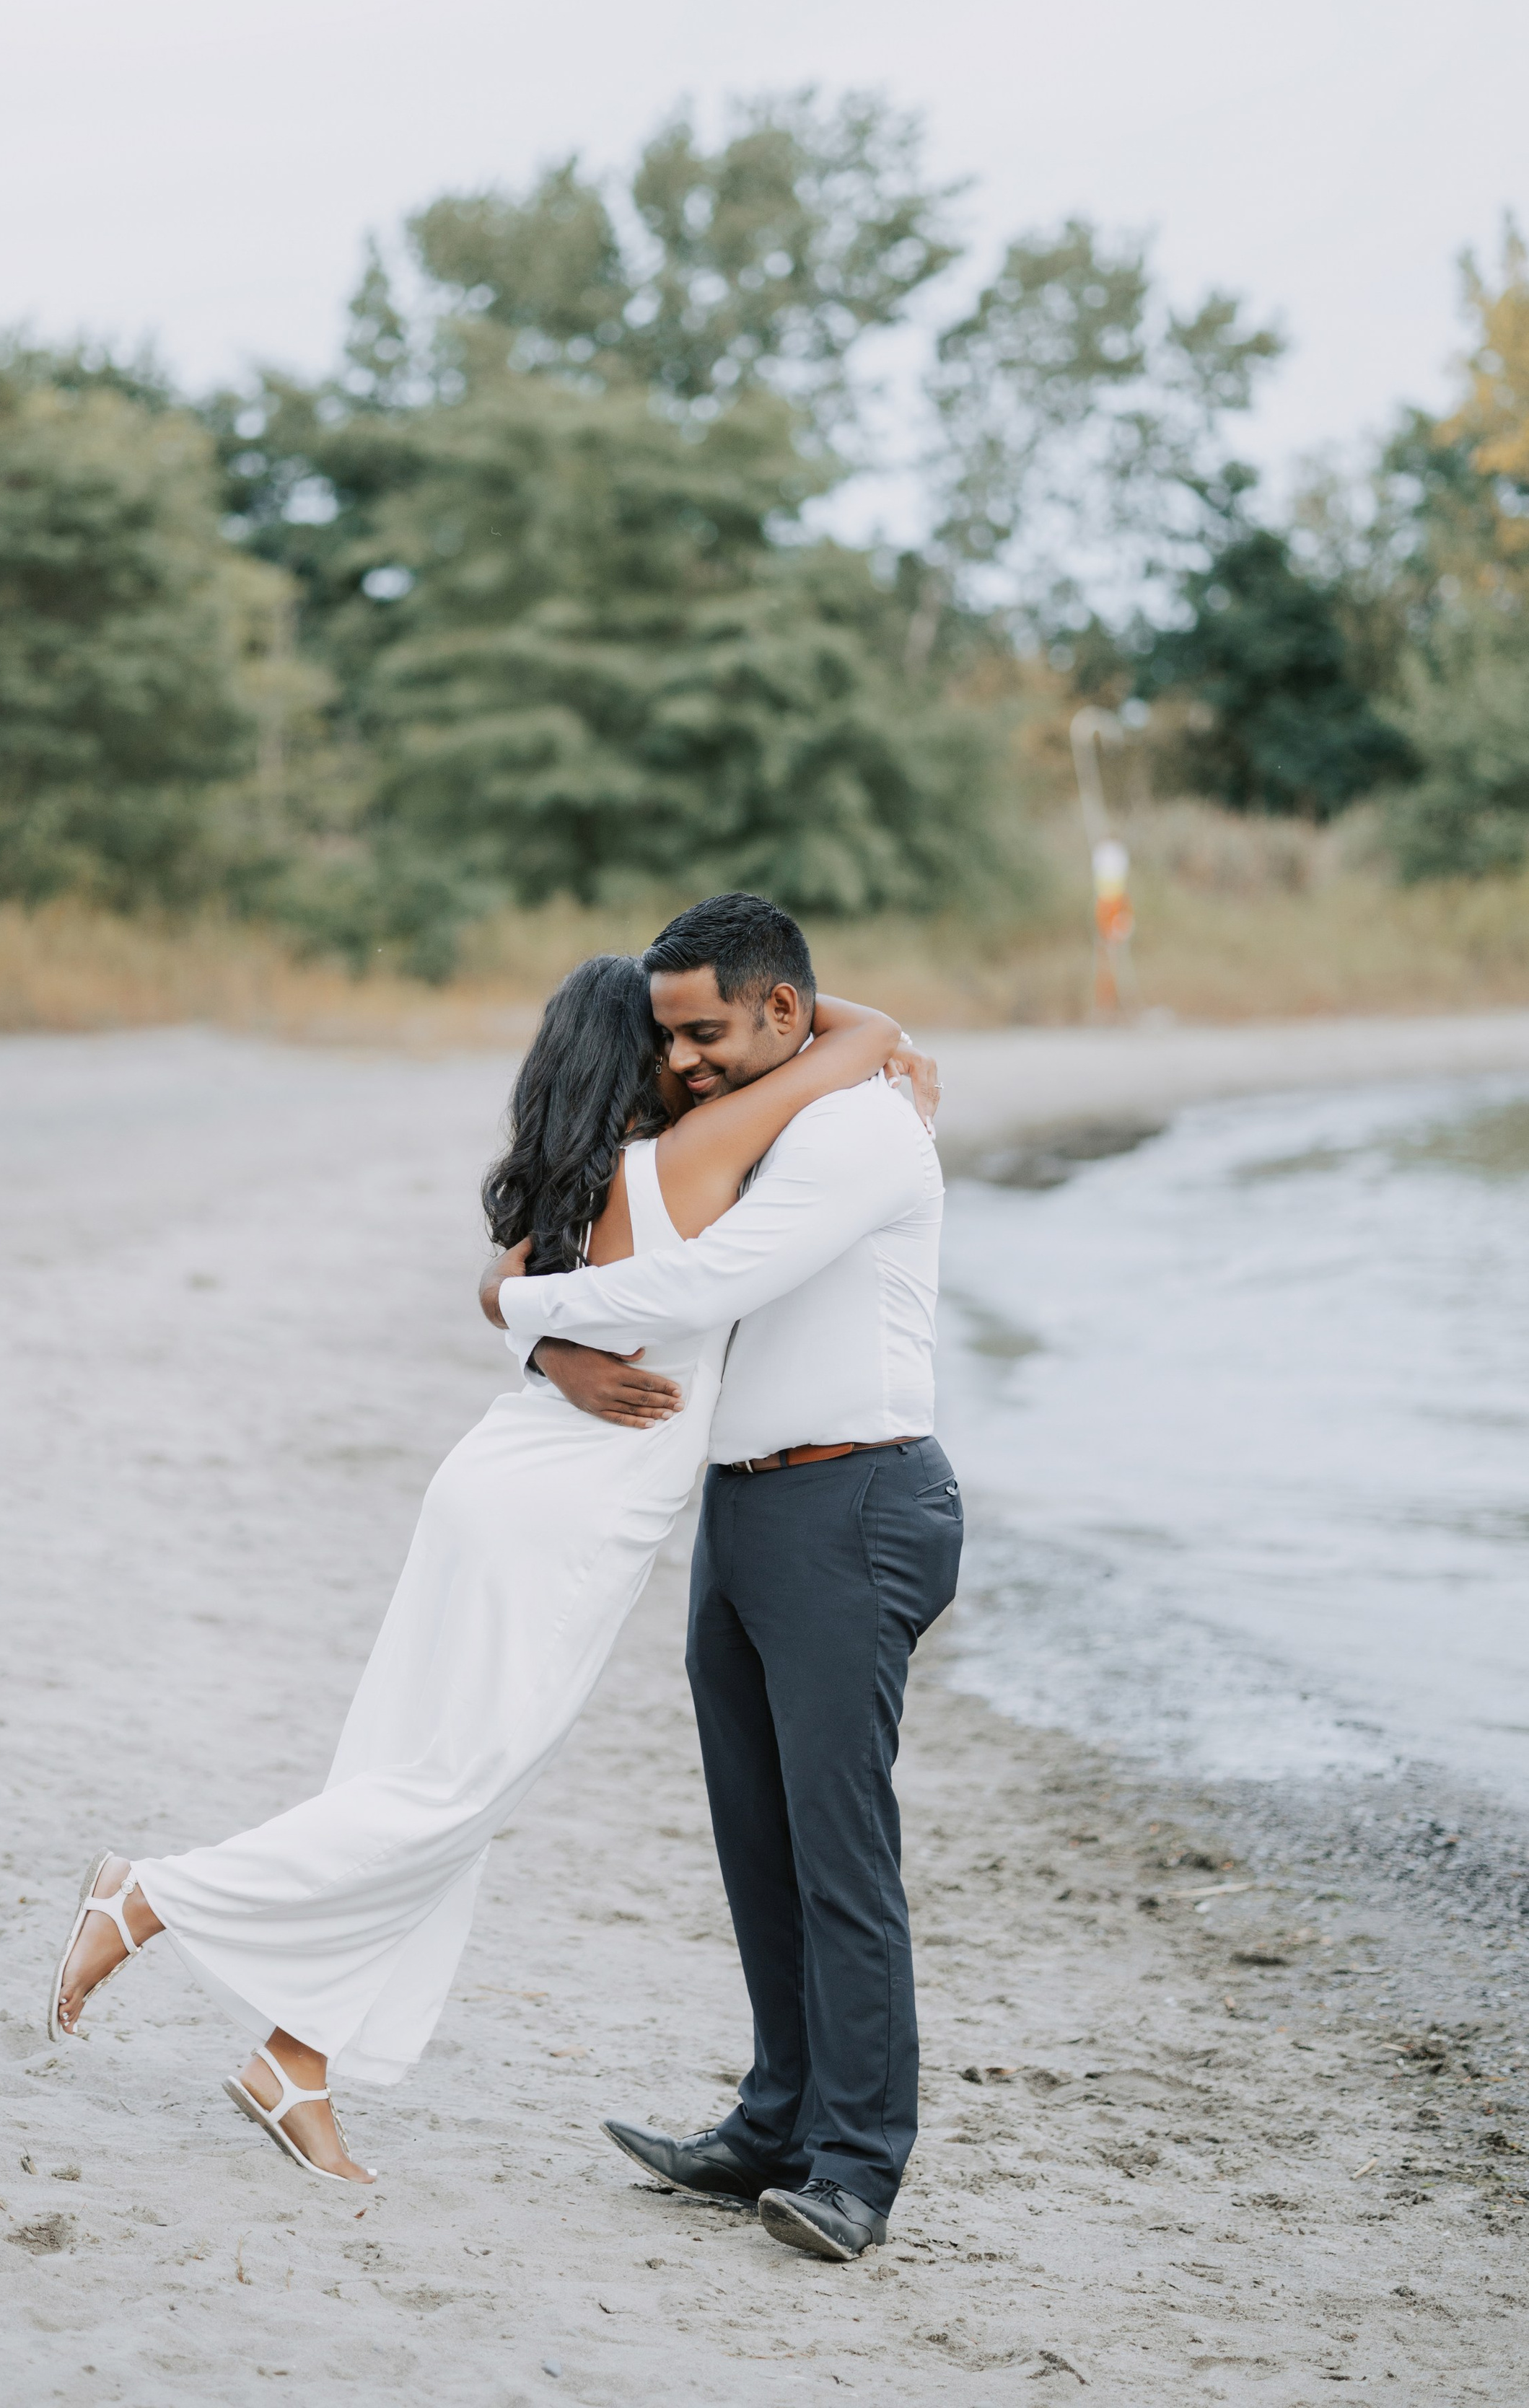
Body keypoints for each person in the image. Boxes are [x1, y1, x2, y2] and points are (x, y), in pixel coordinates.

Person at [45, 949, 931, 2194]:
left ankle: (298, 2060)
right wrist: (861, 1027)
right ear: (638, 1059)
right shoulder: (700, 1151)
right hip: (561, 1516)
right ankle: (153, 1896)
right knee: (452, 1788)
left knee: (420, 1776)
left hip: (506, 1481)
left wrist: (553, 1352)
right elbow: (865, 1029)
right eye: (668, 1040)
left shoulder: (580, 1181)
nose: (689, 1057)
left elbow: (505, 1287)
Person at [483, 892, 959, 2264]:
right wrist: (546, 1348)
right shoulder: (784, 1111)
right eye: (669, 1039)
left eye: (703, 1035)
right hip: (751, 1507)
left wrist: (507, 1309)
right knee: (759, 1840)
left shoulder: (861, 1129)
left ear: (782, 1012)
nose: (682, 1061)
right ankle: (774, 2119)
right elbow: (629, 1256)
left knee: (840, 1851)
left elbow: (698, 1287)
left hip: (857, 1499)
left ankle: (858, 2167)